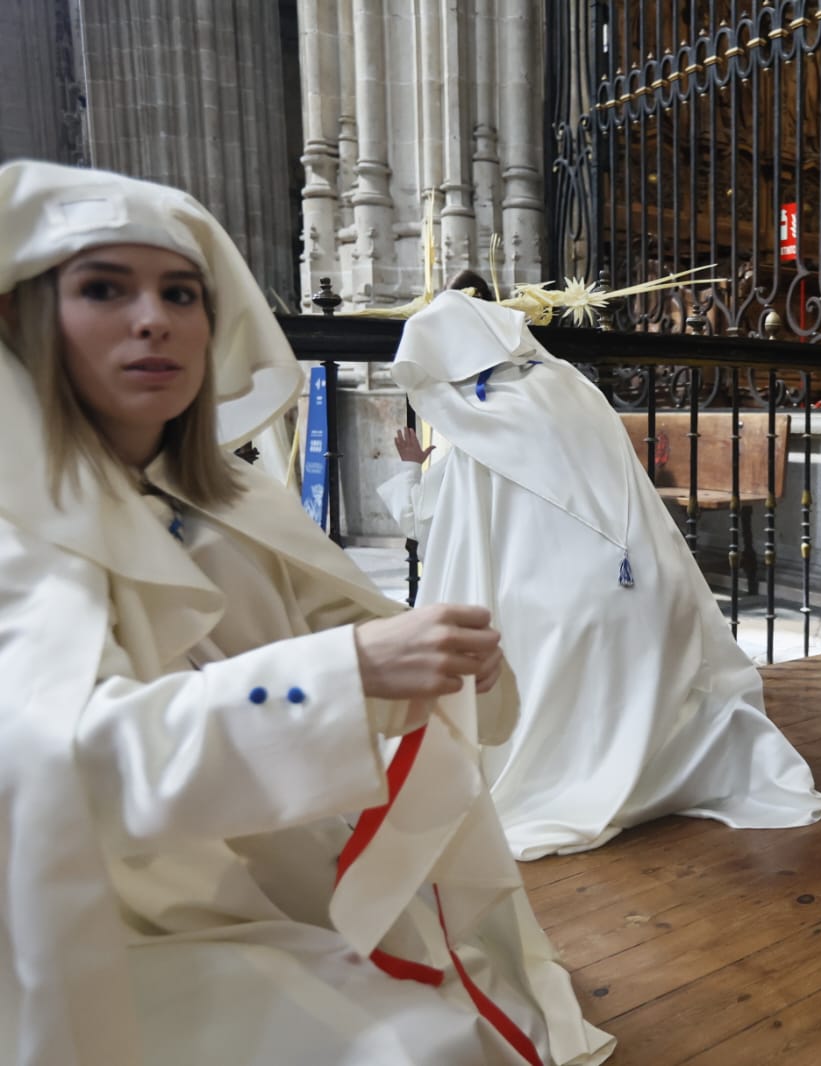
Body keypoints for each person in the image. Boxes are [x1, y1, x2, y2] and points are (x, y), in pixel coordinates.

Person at [0, 160, 615, 1066]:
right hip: (121, 901)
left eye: (180, 293)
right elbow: (68, 758)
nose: (152, 320)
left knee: (455, 1007)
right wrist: (351, 671)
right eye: (103, 289)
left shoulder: (235, 493)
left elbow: (336, 621)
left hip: (280, 848)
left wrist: (449, 656)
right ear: (26, 322)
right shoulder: (20, 522)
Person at [377, 285, 821, 861]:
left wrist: (412, 472)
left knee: (513, 633)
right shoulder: (567, 384)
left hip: (561, 610)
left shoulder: (477, 426)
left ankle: (582, 779)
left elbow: (430, 523)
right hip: (650, 588)